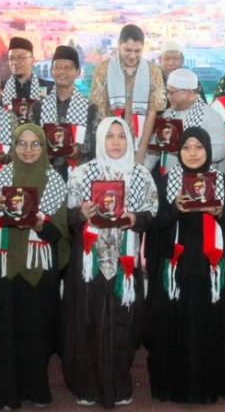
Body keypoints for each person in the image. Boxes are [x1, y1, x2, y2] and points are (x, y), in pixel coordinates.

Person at [61, 117, 158, 408]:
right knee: (86, 320)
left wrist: (135, 218)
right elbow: (67, 217)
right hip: (88, 262)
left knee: (124, 322)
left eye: (121, 136)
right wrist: (82, 213)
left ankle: (119, 383)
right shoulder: (81, 173)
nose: (116, 142)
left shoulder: (141, 174)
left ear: (129, 141)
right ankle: (87, 386)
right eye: (110, 136)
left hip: (124, 263)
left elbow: (152, 212)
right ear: (100, 140)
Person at [144, 127, 225, 404]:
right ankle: (172, 386)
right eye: (187, 147)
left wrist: (220, 211)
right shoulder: (167, 182)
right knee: (173, 327)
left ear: (207, 151)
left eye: (198, 148)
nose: (192, 153)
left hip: (211, 268)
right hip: (175, 269)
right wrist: (174, 208)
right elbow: (155, 227)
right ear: (179, 151)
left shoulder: (221, 182)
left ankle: (210, 385)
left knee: (210, 328)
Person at [0, 123, 69, 409]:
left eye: (35, 144)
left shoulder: (54, 181)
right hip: (5, 266)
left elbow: (61, 233)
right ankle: (6, 393)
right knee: (5, 331)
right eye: (22, 144)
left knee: (36, 331)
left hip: (38, 268)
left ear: (44, 148)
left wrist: (42, 226)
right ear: (13, 147)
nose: (28, 150)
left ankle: (36, 390)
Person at [90, 24, 166, 164]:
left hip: (142, 144)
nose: (133, 56)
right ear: (119, 44)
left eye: (138, 51)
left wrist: (141, 151)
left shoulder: (153, 71)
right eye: (128, 50)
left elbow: (152, 113)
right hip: (110, 144)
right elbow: (100, 111)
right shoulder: (103, 69)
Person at [31, 45, 98, 181]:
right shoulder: (38, 107)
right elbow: (31, 140)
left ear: (78, 72)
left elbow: (98, 146)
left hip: (81, 176)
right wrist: (43, 150)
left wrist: (80, 149)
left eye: (67, 68)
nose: (62, 72)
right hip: (46, 175)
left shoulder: (90, 108)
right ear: (51, 71)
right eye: (57, 67)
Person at [145, 68, 225, 175]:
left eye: (171, 92)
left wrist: (189, 151)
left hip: (199, 179)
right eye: (167, 91)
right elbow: (155, 148)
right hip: (170, 179)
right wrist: (144, 169)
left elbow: (220, 151)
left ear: (188, 93)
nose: (168, 96)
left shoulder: (210, 116)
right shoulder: (167, 114)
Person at [0, 37, 54, 122]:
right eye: (11, 58)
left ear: (32, 60)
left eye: (20, 58)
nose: (15, 62)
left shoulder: (49, 88)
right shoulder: (0, 89)